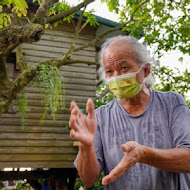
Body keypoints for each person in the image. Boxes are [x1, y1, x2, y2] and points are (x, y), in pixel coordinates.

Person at [69, 35, 190, 190]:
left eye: (124, 68)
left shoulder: (172, 104)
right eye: (109, 71)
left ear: (146, 70)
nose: (117, 77)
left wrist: (143, 154)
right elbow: (88, 179)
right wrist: (86, 147)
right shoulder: (100, 118)